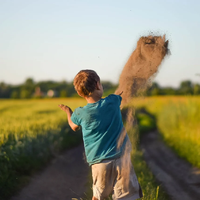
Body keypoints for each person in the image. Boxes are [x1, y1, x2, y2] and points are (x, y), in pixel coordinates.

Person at [58, 69, 142, 200]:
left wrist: (69, 112)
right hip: (122, 159)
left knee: (98, 196)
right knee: (126, 196)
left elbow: (73, 126)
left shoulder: (80, 113)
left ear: (80, 93)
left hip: (99, 163)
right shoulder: (113, 101)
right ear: (98, 85)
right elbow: (119, 96)